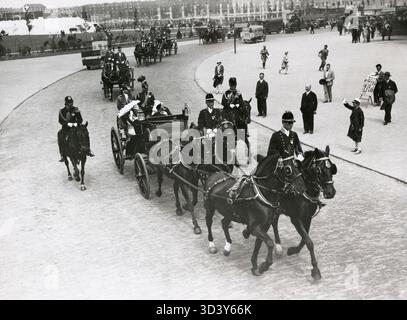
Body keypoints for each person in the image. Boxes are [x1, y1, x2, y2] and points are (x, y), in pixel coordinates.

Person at [58, 96, 94, 162]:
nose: (71, 104)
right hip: (67, 128)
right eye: (69, 103)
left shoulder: (75, 109)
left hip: (76, 127)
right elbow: (60, 121)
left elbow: (80, 119)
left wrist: (76, 123)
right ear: (66, 103)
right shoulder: (62, 111)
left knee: (85, 134)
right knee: (61, 136)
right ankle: (63, 153)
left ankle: (88, 149)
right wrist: (67, 124)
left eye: (71, 102)